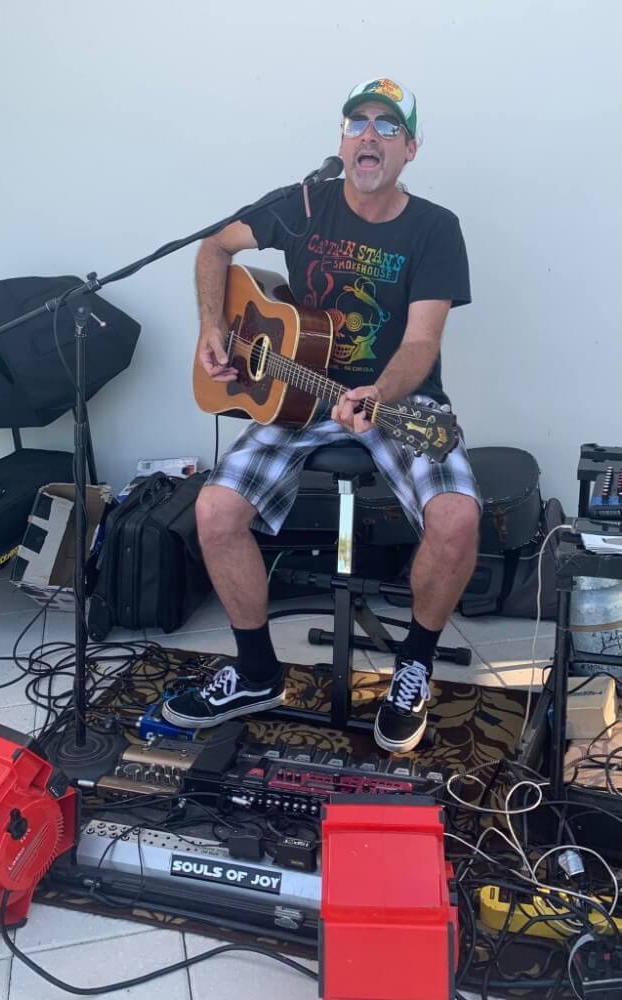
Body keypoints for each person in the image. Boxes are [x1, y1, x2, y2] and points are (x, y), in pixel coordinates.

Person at [162, 77, 482, 754]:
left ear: (410, 150)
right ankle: (254, 673)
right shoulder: (300, 206)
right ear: (341, 141)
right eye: (357, 122)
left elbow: (422, 341)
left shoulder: (435, 229)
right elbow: (214, 247)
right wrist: (212, 330)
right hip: (297, 397)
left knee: (457, 519)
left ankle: (414, 665)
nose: (370, 135)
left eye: (388, 127)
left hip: (400, 402)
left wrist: (380, 395)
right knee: (215, 512)